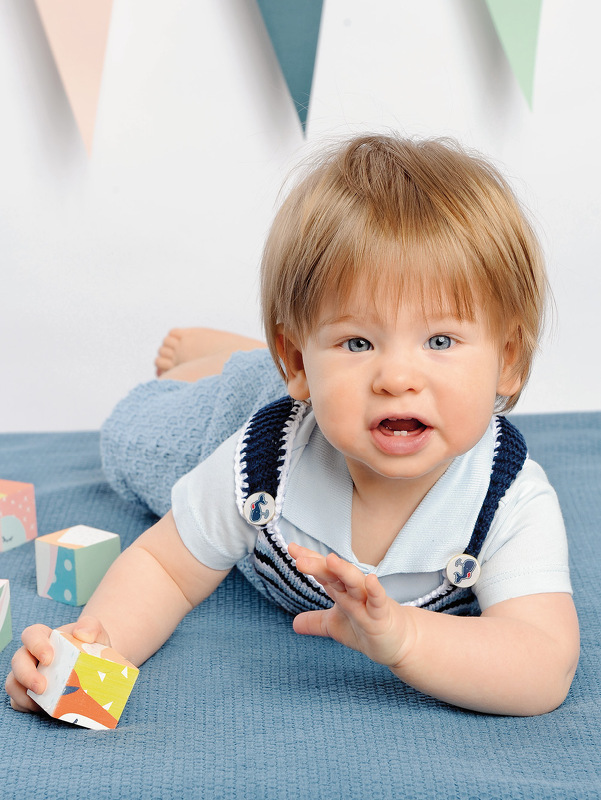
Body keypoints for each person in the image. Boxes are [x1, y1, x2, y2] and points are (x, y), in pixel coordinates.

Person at [6, 134, 579, 716]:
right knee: (129, 438)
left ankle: (273, 352)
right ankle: (229, 364)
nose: (397, 378)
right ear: (300, 363)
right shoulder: (258, 460)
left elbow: (542, 663)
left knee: (297, 376)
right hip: (240, 410)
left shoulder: (507, 499)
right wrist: (89, 654)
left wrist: (406, 638)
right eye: (359, 341)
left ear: (507, 359)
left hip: (309, 390)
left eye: (440, 340)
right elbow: (164, 567)